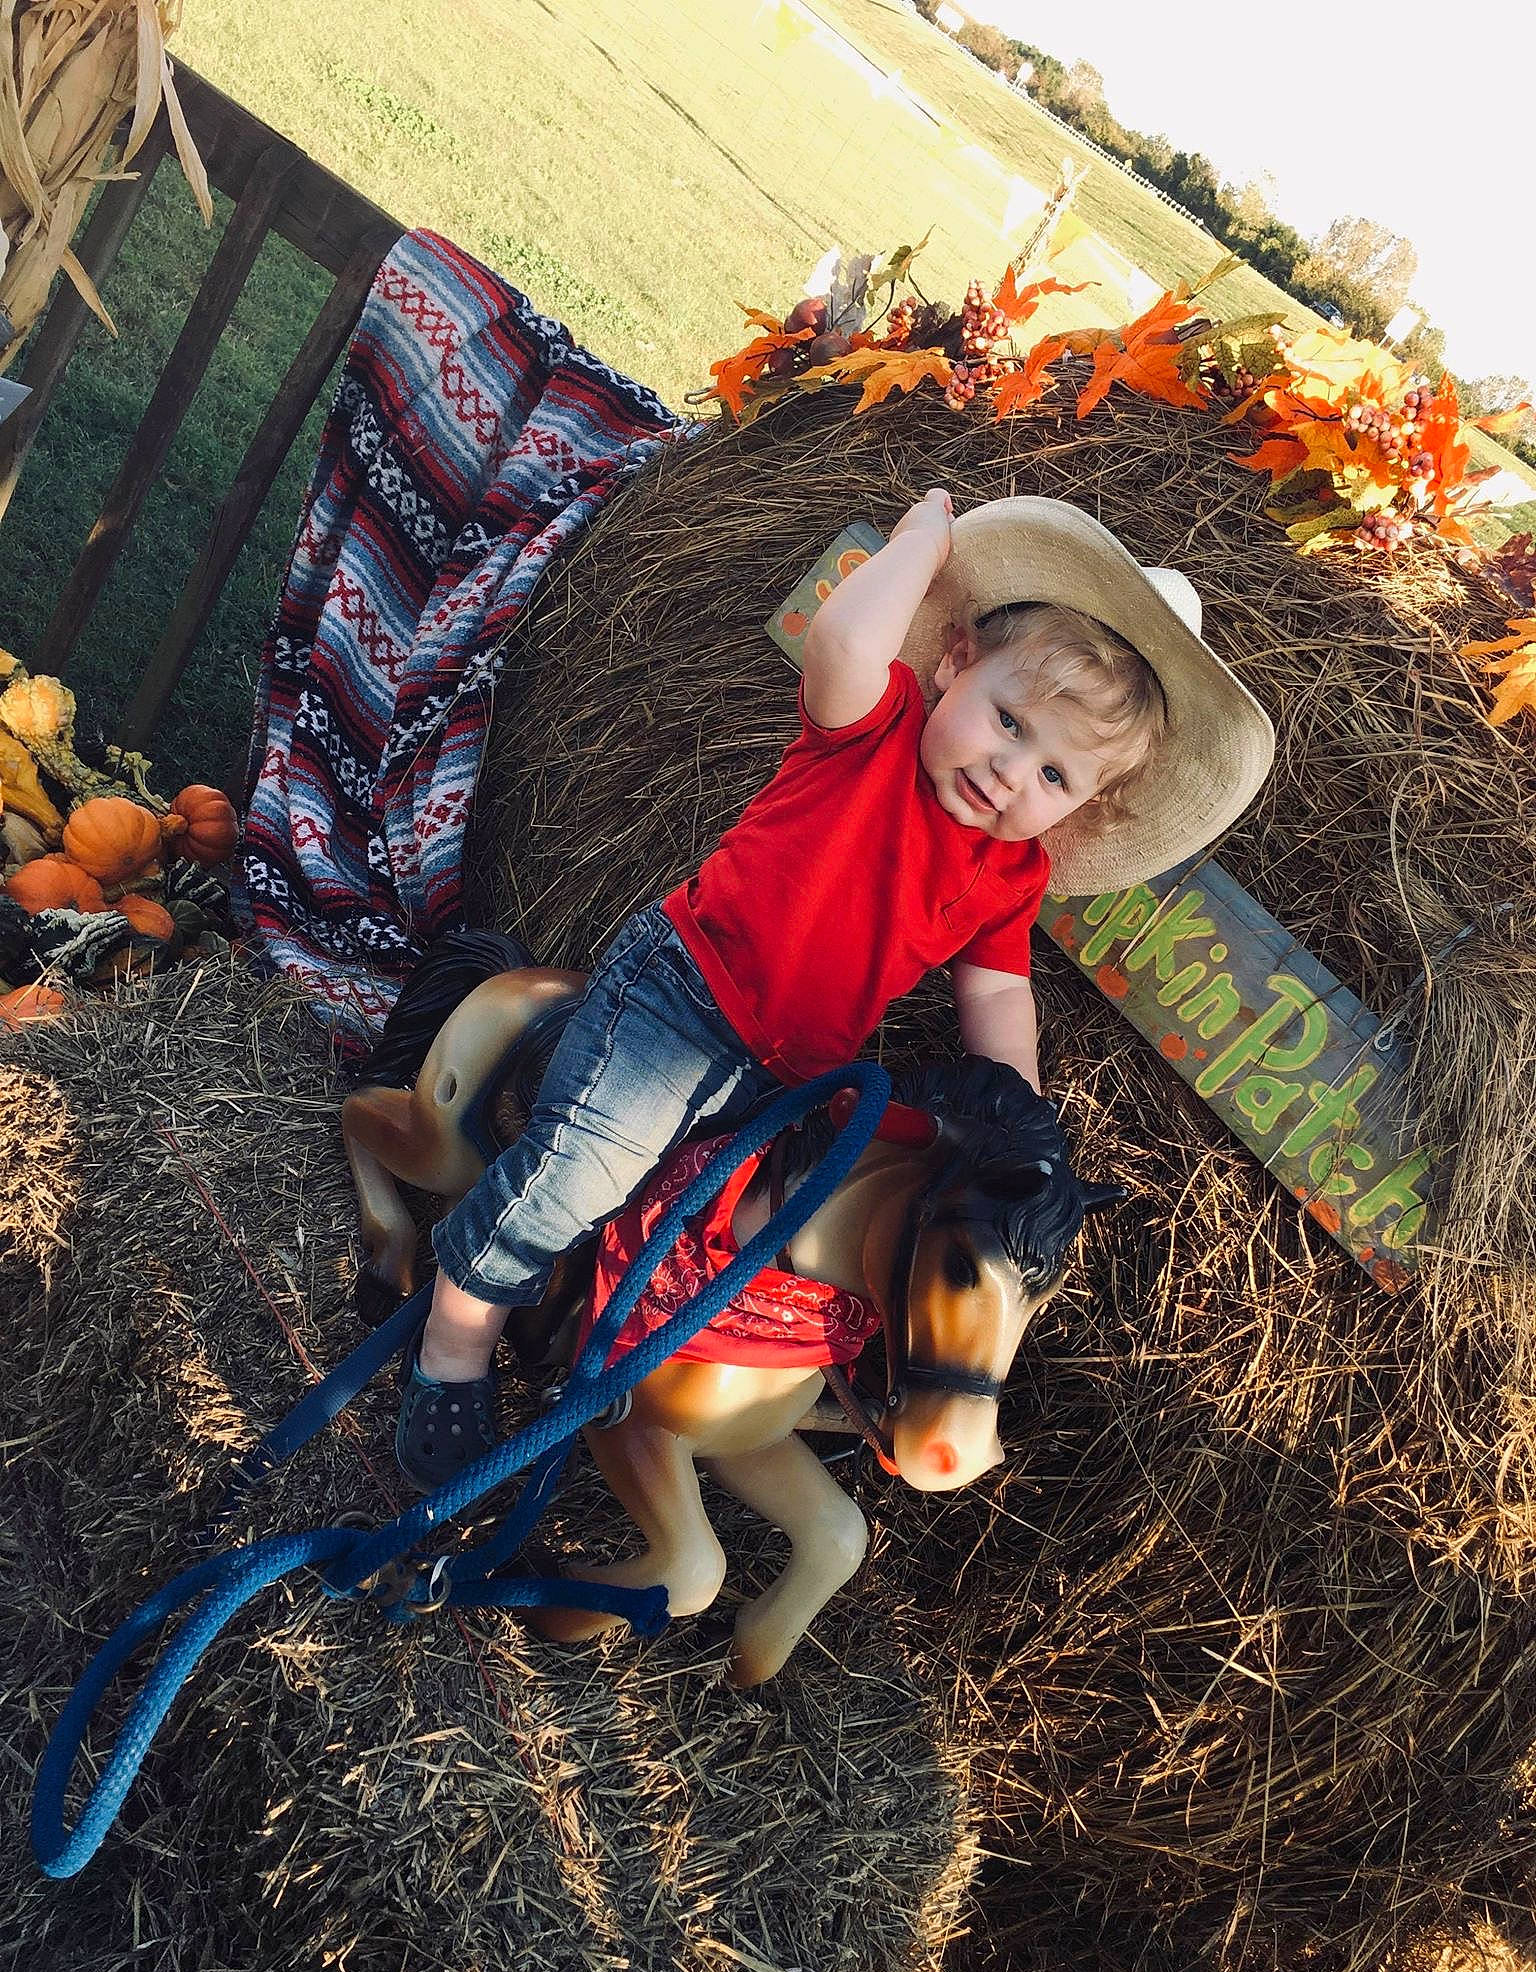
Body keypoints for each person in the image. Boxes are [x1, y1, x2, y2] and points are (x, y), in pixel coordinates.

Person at [393, 491, 1274, 1485]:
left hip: (793, 1069)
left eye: (1055, 773)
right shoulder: (875, 731)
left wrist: (1019, 1133)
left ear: (1083, 807)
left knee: (708, 1243)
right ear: (952, 663)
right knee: (578, 1177)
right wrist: (923, 538)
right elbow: (847, 637)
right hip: (682, 1000)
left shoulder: (1008, 876)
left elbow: (995, 1002)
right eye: (1008, 717)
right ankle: (452, 1350)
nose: (1009, 768)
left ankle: (596, 1353)